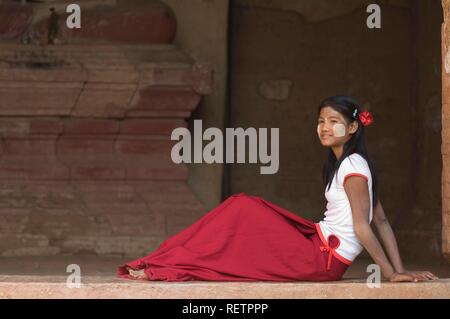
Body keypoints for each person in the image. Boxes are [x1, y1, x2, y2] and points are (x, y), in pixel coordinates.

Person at [117, 95, 439, 282]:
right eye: (320, 121)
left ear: (353, 127)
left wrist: (392, 274)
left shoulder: (354, 167)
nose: (324, 128)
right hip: (317, 241)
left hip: (322, 258)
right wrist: (400, 270)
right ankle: (166, 261)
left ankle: (166, 264)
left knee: (241, 211)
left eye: (333, 121)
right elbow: (380, 220)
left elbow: (364, 225)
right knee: (240, 211)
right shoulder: (348, 164)